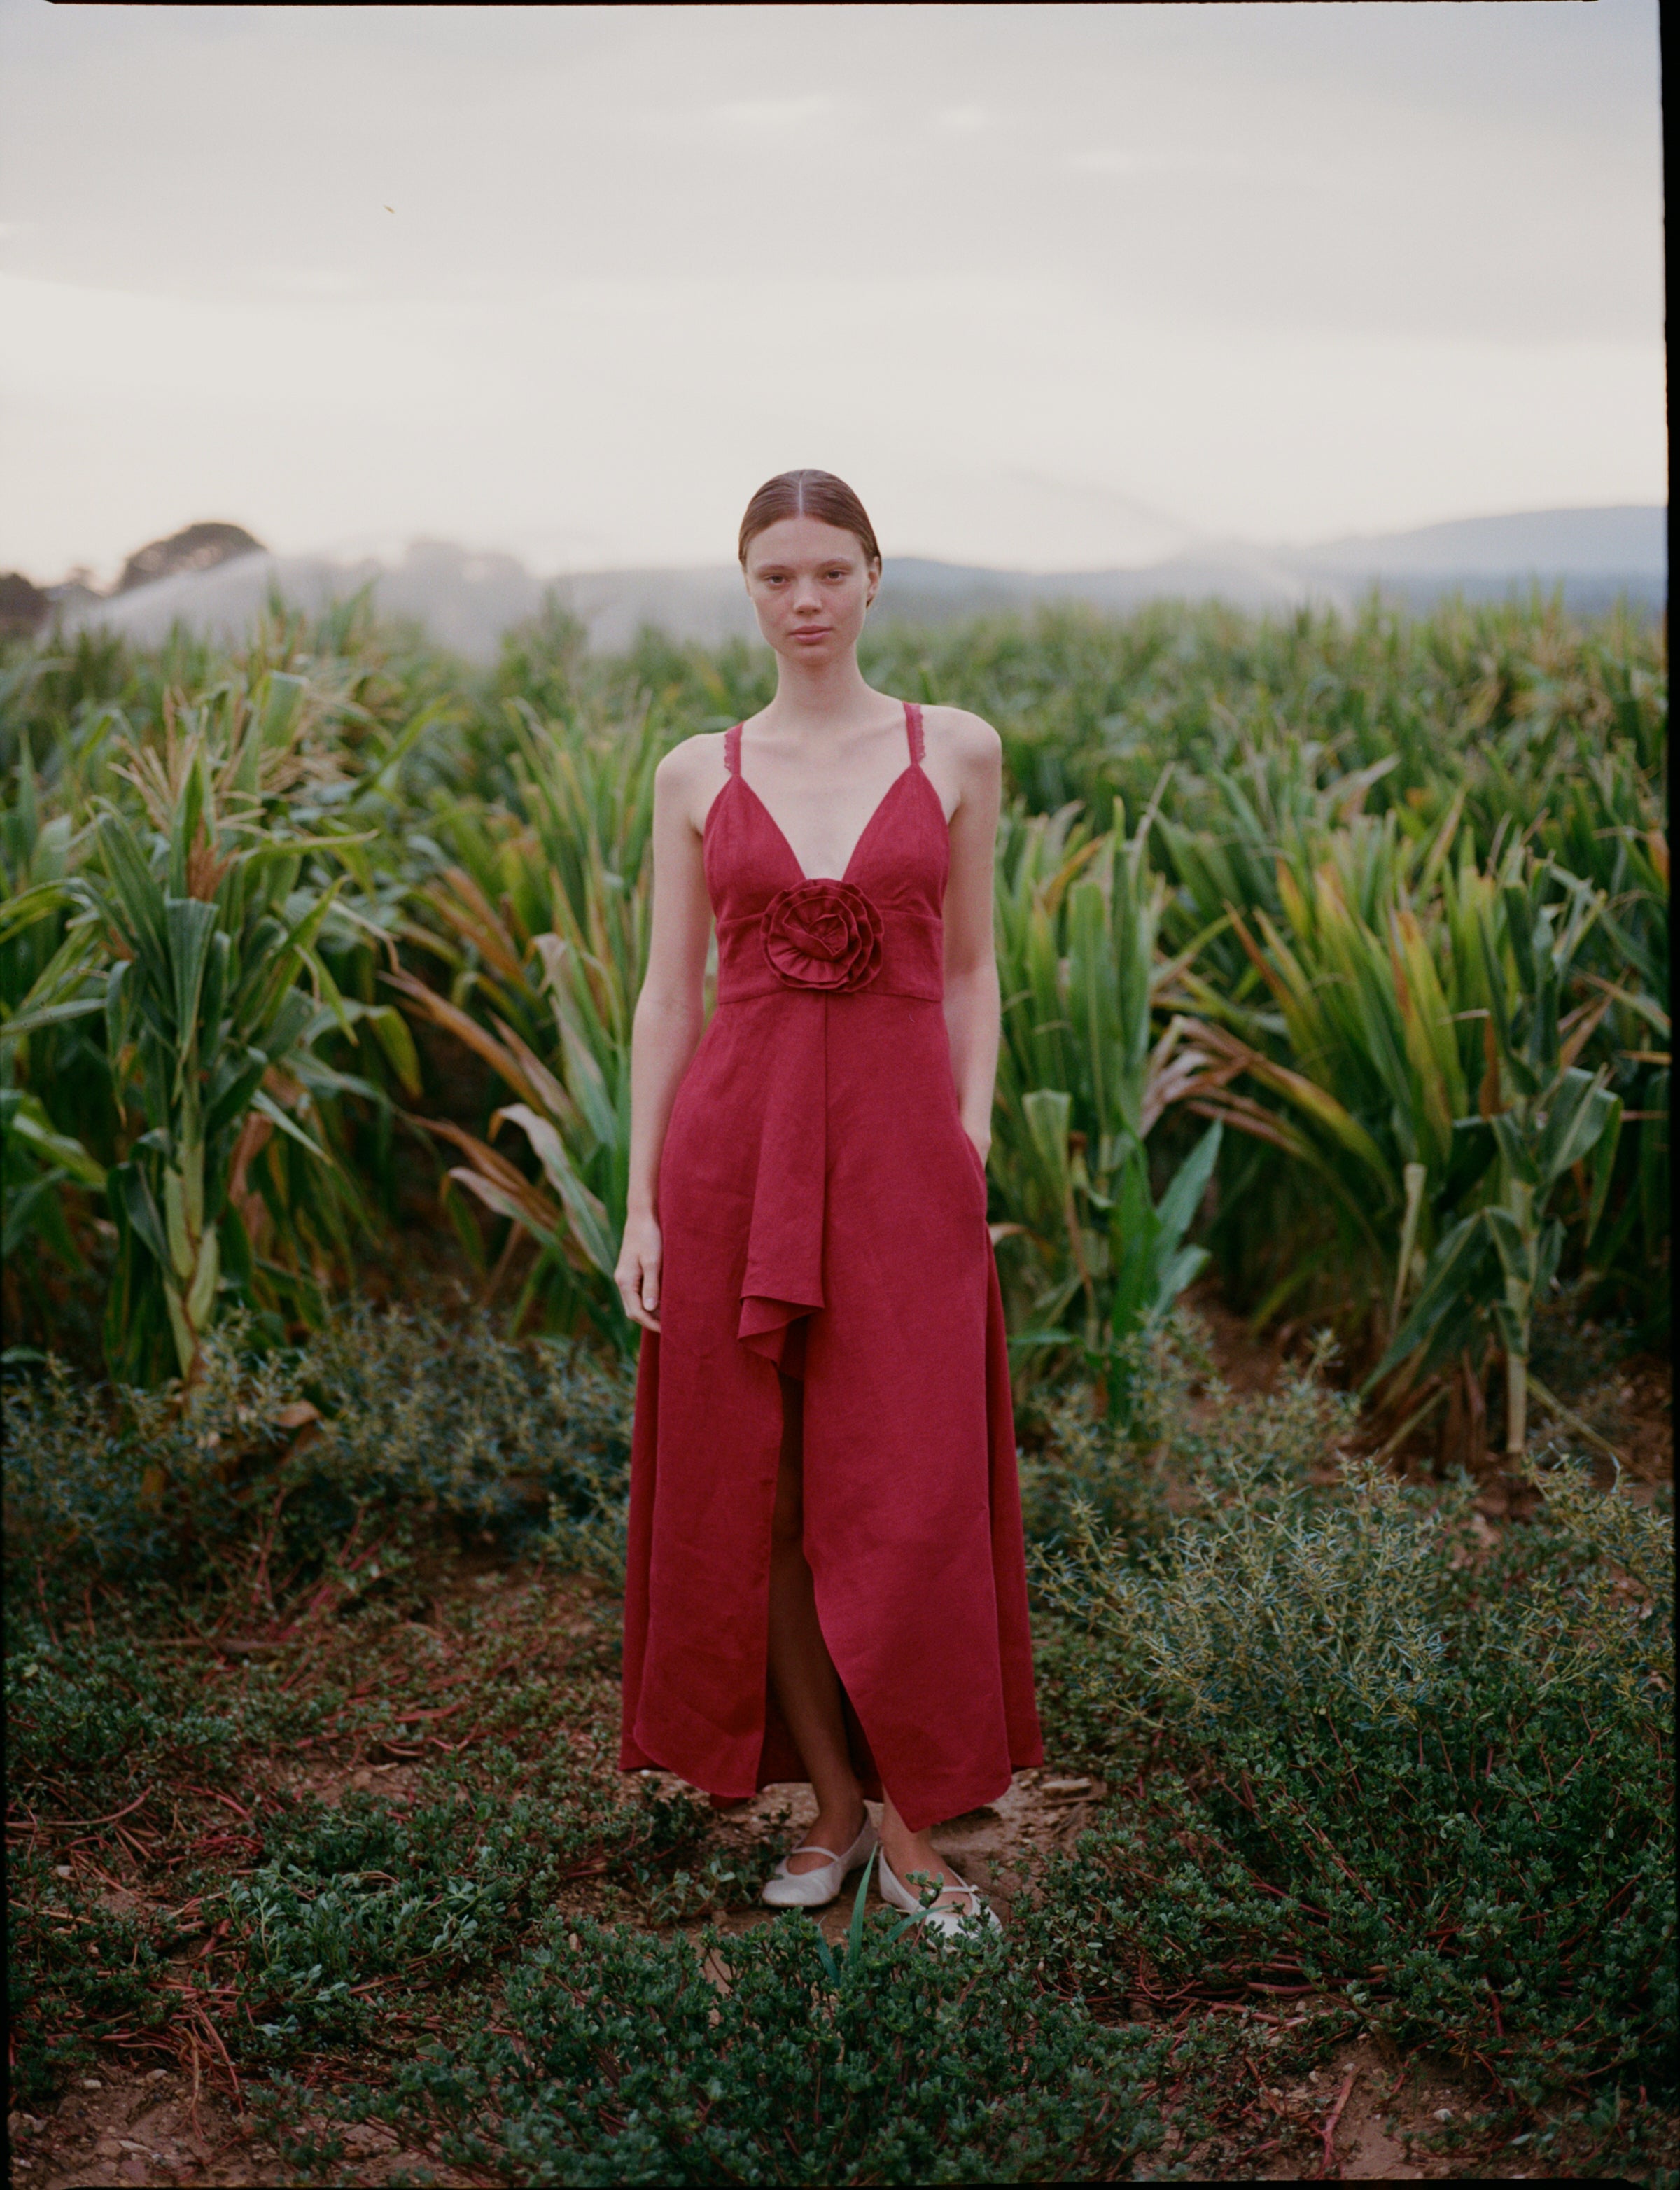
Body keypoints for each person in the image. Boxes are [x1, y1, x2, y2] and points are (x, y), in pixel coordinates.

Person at [615, 469, 1042, 1939]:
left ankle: (921, 1831)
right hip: (733, 1157)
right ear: (748, 587)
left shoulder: (959, 750)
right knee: (769, 1489)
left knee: (908, 1481)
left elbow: (976, 971)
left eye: (829, 572)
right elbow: (671, 999)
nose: (804, 599)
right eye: (775, 575)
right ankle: (839, 1813)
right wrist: (642, 1206)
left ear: (874, 579)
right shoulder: (694, 768)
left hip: (901, 1154)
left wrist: (966, 1138)